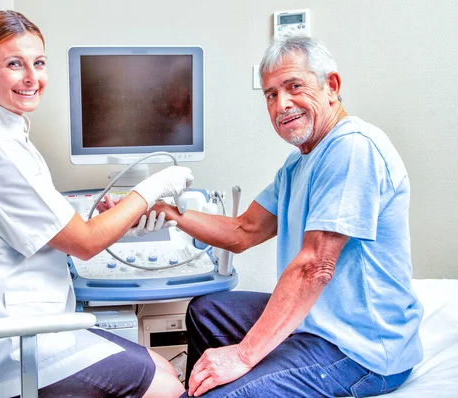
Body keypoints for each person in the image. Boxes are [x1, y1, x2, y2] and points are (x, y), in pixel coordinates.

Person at [0, 10, 191, 398]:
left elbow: (41, 221)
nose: (32, 77)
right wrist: (151, 190)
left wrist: (111, 215)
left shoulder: (2, 133)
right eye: (15, 64)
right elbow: (84, 244)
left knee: (163, 366)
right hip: (6, 350)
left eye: (39, 63)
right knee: (165, 386)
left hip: (27, 327)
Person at [151, 35, 423, 397]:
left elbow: (315, 267)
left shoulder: (353, 148)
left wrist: (243, 357)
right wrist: (168, 213)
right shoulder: (298, 164)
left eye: (294, 86)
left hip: (359, 349)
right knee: (207, 311)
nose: (282, 104)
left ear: (332, 86)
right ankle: (203, 386)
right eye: (271, 94)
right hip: (316, 322)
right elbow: (242, 230)